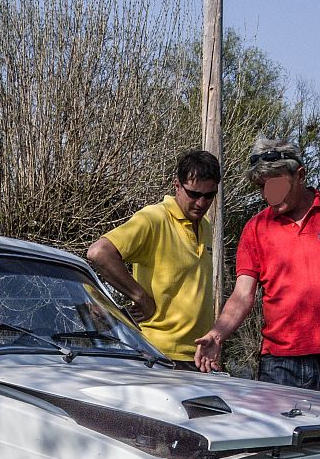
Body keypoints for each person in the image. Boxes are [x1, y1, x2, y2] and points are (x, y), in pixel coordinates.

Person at [194, 138, 320, 397]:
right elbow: (242, 295)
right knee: (279, 438)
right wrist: (217, 335)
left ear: (300, 175)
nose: (267, 194)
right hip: (279, 365)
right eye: (262, 187)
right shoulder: (256, 229)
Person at [87, 149, 221, 369]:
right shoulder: (154, 218)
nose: (201, 203)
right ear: (177, 185)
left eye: (209, 196)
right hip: (157, 355)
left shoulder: (205, 225)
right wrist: (140, 296)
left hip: (197, 356)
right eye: (194, 194)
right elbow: (99, 253)